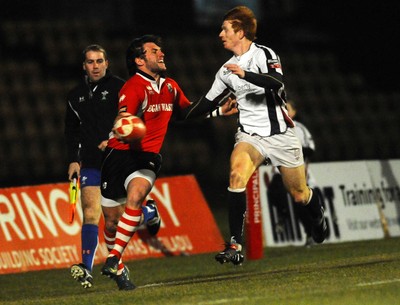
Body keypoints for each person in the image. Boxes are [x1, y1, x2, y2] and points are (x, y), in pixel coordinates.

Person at [99, 35, 236, 289]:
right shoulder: (133, 87)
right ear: (140, 61)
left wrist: (218, 111)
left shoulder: (170, 86)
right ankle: (121, 263)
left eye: (160, 50)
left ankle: (113, 257)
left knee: (136, 194)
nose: (161, 54)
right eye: (154, 51)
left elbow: (185, 112)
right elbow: (123, 115)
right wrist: (124, 125)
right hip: (118, 155)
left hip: (146, 157)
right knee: (110, 221)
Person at [194, 6, 328, 265]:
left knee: (299, 194)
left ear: (240, 32)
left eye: (225, 29)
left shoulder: (264, 53)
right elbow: (206, 103)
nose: (220, 33)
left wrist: (246, 75)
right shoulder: (225, 70)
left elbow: (276, 82)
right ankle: (234, 244)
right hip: (250, 136)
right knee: (236, 174)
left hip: (280, 135)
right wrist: (175, 113)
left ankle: (316, 213)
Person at [64, 44, 134, 290]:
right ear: (84, 65)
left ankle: (149, 212)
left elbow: (130, 118)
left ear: (107, 63)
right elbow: (71, 131)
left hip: (116, 158)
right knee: (91, 212)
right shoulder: (75, 95)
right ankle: (86, 267)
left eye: (99, 61)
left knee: (115, 221)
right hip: (91, 162)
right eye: (90, 62)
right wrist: (74, 159)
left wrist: (114, 137)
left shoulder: (120, 87)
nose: (95, 66)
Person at [267, 99, 318, 247]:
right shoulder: (273, 127)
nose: (283, 111)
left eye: (287, 108)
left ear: (294, 112)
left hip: (297, 172)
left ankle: (311, 234)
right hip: (280, 172)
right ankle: (283, 215)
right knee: (274, 190)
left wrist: (293, 152)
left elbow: (311, 148)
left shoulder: (299, 128)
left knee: (300, 203)